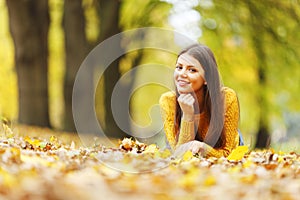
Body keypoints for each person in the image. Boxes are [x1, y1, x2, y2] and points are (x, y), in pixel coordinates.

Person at [159, 43, 243, 158]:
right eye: (179, 67)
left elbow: (227, 153)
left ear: (206, 78)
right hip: (183, 146)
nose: (182, 74)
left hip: (222, 147)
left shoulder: (227, 98)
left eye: (192, 70)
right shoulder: (168, 101)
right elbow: (180, 155)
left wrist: (203, 148)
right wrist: (188, 115)